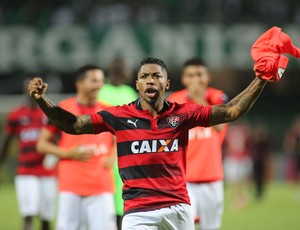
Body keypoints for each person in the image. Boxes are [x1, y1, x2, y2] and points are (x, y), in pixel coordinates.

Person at [28, 57, 268, 230]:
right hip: (138, 211)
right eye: (144, 76)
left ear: (167, 84)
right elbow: (72, 124)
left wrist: (261, 79)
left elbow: (231, 111)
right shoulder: (119, 116)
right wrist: (42, 101)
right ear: (137, 85)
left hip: (178, 208)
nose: (150, 80)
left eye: (156, 76)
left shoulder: (183, 114)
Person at [36, 65, 117, 230]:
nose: (99, 85)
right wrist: (67, 153)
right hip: (71, 186)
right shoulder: (62, 109)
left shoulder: (108, 110)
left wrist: (114, 156)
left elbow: (121, 139)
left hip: (101, 186)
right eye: (94, 80)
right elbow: (42, 144)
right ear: (79, 83)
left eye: (101, 81)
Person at [168, 57, 227, 230]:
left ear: (208, 77)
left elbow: (220, 126)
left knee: (211, 227)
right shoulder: (174, 100)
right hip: (183, 181)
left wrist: (198, 99)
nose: (195, 79)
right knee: (182, 226)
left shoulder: (217, 97)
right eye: (191, 75)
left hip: (212, 179)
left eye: (199, 74)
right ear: (183, 79)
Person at [0, 79, 57, 230]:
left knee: (46, 218)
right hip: (26, 171)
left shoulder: (50, 113)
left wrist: (55, 155)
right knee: (28, 214)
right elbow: (6, 141)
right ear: (25, 91)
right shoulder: (16, 115)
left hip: (47, 172)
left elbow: (59, 138)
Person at [97, 57, 137, 230]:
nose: (130, 72)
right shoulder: (101, 91)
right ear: (119, 70)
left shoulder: (130, 92)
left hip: (126, 151)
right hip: (104, 153)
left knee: (124, 202)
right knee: (105, 204)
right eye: (127, 68)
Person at [223, 120, 253, 210]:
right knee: (241, 181)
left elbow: (224, 143)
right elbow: (249, 144)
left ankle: (239, 199)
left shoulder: (229, 131)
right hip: (242, 158)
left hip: (233, 158)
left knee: (235, 182)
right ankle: (241, 198)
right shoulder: (244, 131)